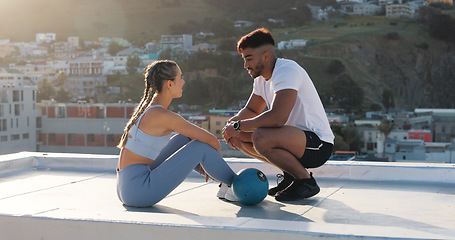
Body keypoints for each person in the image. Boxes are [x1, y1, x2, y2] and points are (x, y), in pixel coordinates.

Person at [222, 28, 334, 201]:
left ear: (265, 56)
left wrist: (238, 125)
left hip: (318, 144)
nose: (245, 65)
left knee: (260, 136)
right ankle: (290, 175)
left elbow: (277, 118)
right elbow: (251, 110)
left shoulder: (287, 71)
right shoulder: (260, 79)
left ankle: (305, 181)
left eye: (249, 59)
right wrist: (232, 125)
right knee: (238, 137)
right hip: (293, 140)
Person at [117, 60, 236, 207]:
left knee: (184, 139)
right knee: (202, 147)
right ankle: (235, 184)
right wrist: (212, 164)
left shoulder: (149, 109)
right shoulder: (163, 115)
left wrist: (210, 165)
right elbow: (212, 140)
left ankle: (222, 180)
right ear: (169, 84)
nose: (183, 82)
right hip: (139, 191)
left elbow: (192, 138)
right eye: (180, 78)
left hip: (126, 187)